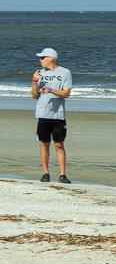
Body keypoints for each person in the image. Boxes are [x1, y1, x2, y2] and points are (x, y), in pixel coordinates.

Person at [31, 47, 73, 183]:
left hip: (58, 115)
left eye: (42, 58)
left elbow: (66, 93)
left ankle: (62, 175)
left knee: (59, 144)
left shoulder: (65, 72)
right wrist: (34, 82)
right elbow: (34, 95)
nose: (40, 60)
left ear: (51, 58)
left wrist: (51, 90)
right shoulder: (39, 73)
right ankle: (45, 173)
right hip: (42, 113)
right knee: (44, 143)